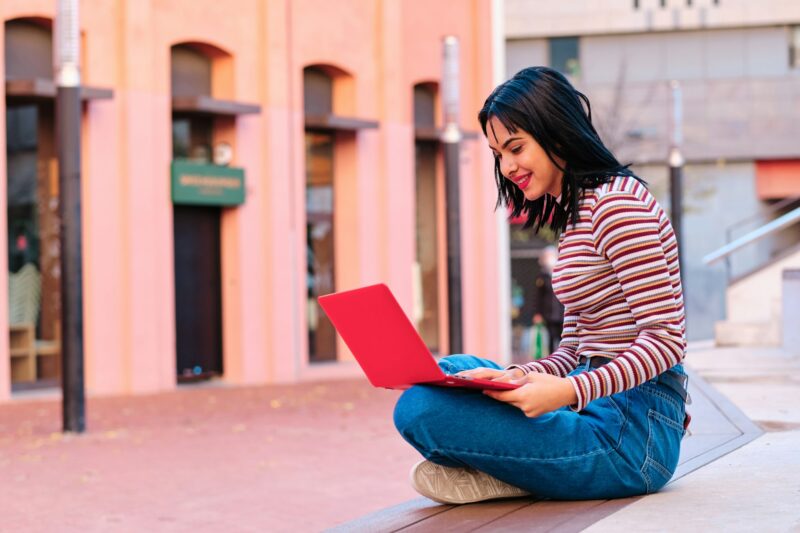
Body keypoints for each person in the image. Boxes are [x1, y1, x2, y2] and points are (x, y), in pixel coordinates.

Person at [393, 66, 688, 504]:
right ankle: (529, 469)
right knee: (448, 373)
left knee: (419, 409)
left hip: (634, 436)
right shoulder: (576, 216)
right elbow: (573, 349)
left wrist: (567, 391)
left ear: (558, 134)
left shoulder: (618, 206)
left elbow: (667, 342)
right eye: (497, 154)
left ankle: (522, 470)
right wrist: (519, 376)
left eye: (515, 148)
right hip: (592, 404)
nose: (507, 167)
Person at [531, 245, 564, 355]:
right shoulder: (542, 277)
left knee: (562, 339)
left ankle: (562, 358)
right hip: (549, 314)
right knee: (550, 338)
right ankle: (551, 358)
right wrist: (537, 313)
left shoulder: (562, 273)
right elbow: (538, 297)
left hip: (562, 313)